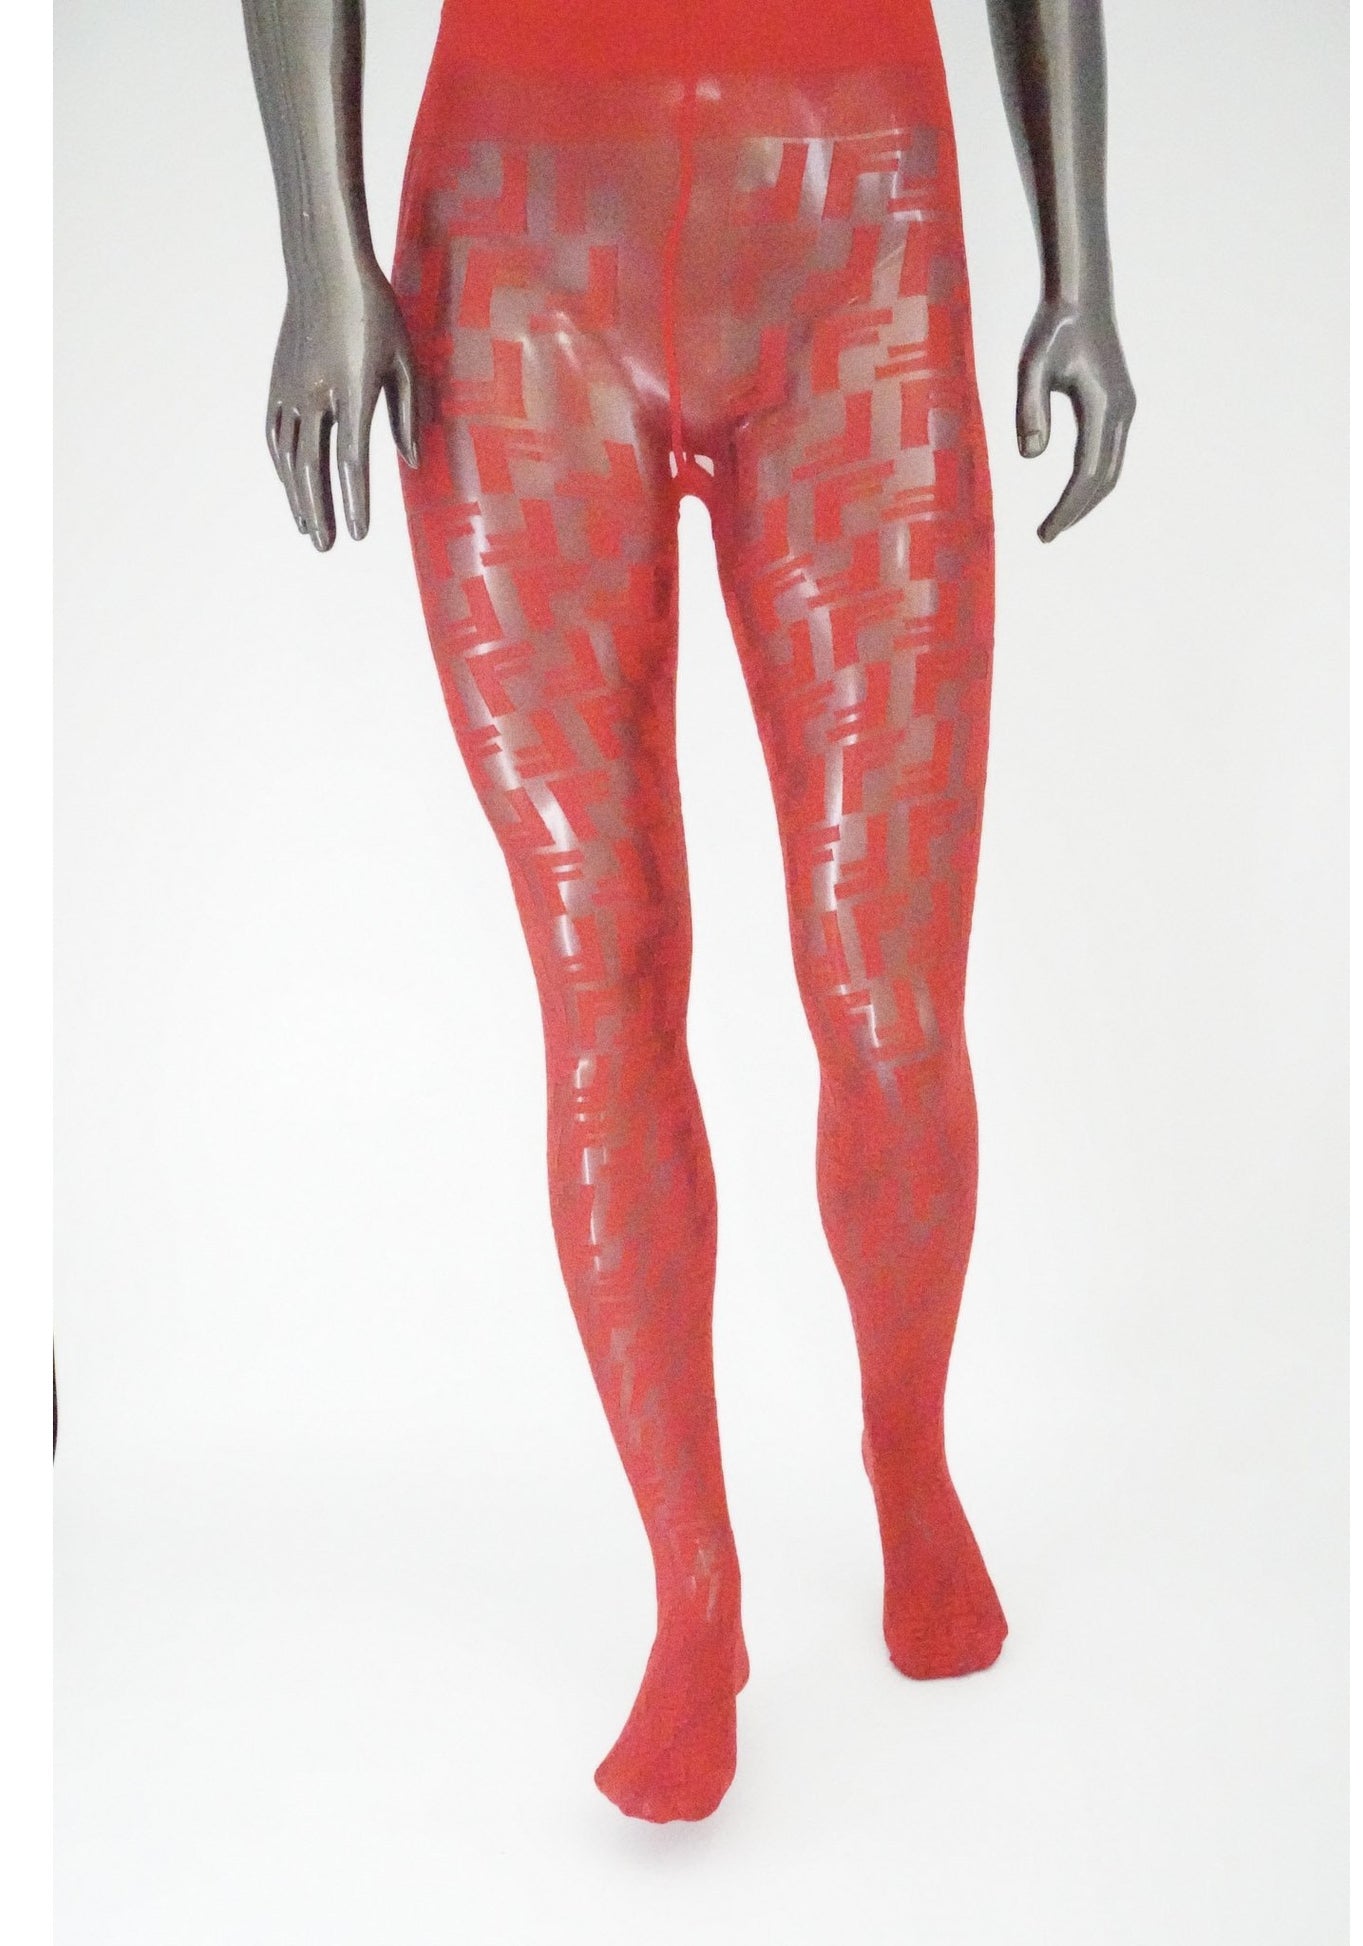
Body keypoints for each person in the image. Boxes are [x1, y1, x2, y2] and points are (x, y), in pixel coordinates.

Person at [241, 0, 1134, 1823]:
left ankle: (904, 1451)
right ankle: (693, 1592)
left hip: (852, 214)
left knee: (887, 995)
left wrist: (1083, 267)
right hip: (515, 241)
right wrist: (320, 253)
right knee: (606, 969)